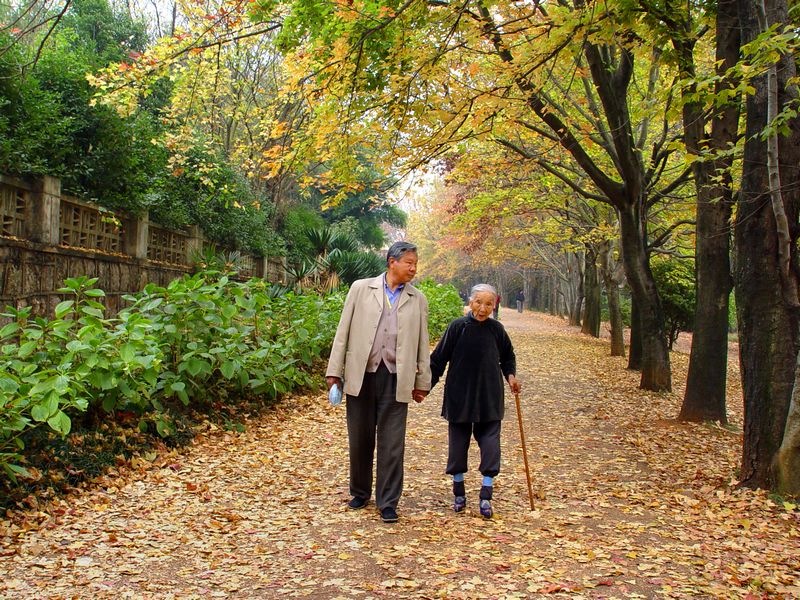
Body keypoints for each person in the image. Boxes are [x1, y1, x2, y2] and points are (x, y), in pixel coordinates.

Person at [326, 241, 432, 523]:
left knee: (392, 442)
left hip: (397, 376)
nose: (413, 268)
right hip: (362, 373)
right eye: (408, 262)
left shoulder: (417, 298)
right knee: (359, 437)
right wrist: (334, 371)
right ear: (391, 262)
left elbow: (423, 342)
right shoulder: (361, 289)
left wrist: (422, 380)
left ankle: (388, 502)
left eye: (415, 264)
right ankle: (360, 492)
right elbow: (343, 331)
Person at [429, 283, 521, 518]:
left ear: (494, 305)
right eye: (478, 302)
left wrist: (511, 377)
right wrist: (424, 388)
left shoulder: (496, 329)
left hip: (489, 394)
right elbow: (438, 360)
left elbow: (508, 357)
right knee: (458, 443)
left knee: (490, 444)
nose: (483, 308)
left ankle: (486, 494)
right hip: (460, 394)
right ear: (470, 303)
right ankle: (458, 491)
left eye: (488, 304)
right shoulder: (457, 327)